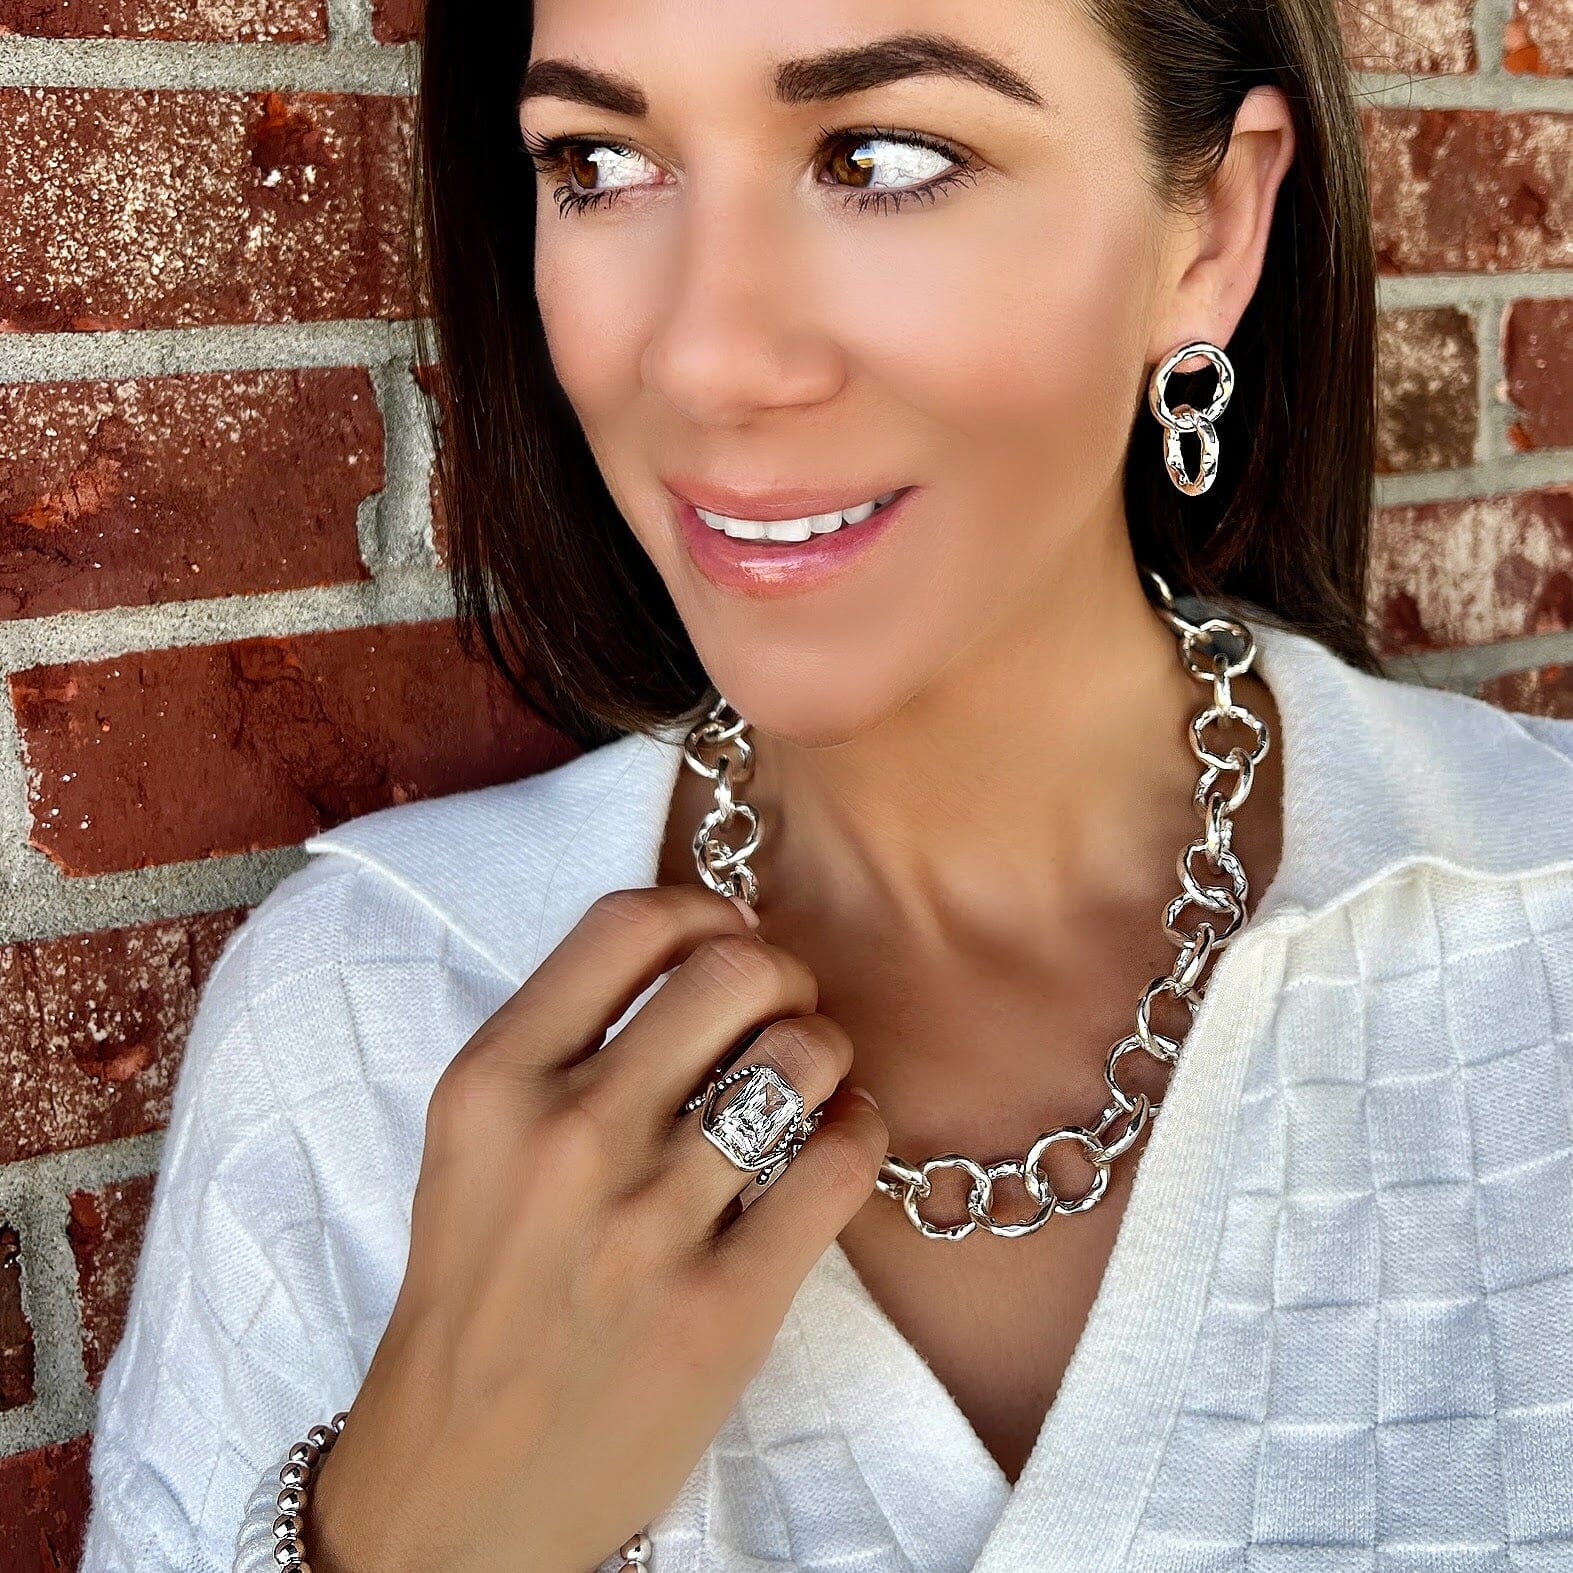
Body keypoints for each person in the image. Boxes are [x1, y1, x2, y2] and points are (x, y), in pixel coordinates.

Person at [81, 1, 1573, 1569]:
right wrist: (410, 1536)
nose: (707, 355)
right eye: (597, 160)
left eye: (883, 155)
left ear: (1205, 227)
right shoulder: (369, 1013)